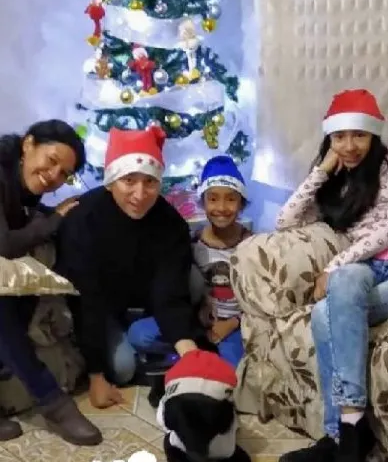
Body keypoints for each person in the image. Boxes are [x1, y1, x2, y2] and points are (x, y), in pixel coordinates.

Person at [276, 88, 388, 462]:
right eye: (339, 137)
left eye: (358, 136)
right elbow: (286, 220)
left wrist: (334, 265)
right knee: (325, 307)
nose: (349, 146)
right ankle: (348, 431)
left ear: (374, 135)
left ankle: (342, 433)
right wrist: (324, 169)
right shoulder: (338, 180)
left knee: (335, 293)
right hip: (362, 275)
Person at [56, 125, 211, 411]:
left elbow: (170, 293)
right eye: (129, 181)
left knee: (194, 282)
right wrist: (96, 375)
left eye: (150, 182)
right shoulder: (84, 221)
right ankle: (130, 340)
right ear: (111, 181)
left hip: (149, 295)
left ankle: (178, 337)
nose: (140, 194)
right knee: (122, 369)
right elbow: (86, 300)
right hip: (102, 304)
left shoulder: (169, 222)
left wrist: (189, 353)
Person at [0, 120, 102, 445]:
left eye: (64, 174)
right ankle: (53, 402)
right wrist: (54, 219)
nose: (54, 176)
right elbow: (3, 244)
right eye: (52, 160)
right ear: (28, 144)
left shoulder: (21, 186)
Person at [192, 156, 250, 368]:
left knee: (232, 367)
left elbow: (262, 299)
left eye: (231, 199)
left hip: (235, 325)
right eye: (213, 199)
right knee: (140, 335)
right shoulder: (193, 243)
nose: (222, 208)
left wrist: (232, 323)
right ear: (203, 201)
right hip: (198, 322)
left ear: (241, 203)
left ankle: (210, 357)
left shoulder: (252, 245)